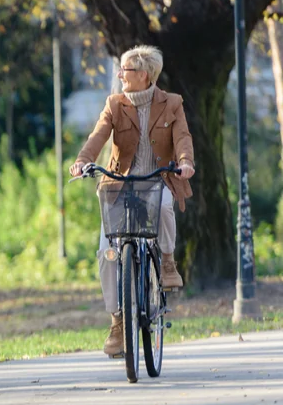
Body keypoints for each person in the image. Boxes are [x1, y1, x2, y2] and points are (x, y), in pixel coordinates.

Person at [69, 45, 195, 358]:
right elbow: (97, 136)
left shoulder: (172, 104)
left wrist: (185, 162)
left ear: (143, 75)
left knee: (166, 205)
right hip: (119, 185)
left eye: (124, 70)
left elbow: (182, 138)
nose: (120, 75)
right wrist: (83, 160)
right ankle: (116, 320)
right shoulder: (114, 104)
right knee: (106, 252)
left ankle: (166, 260)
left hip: (158, 180)